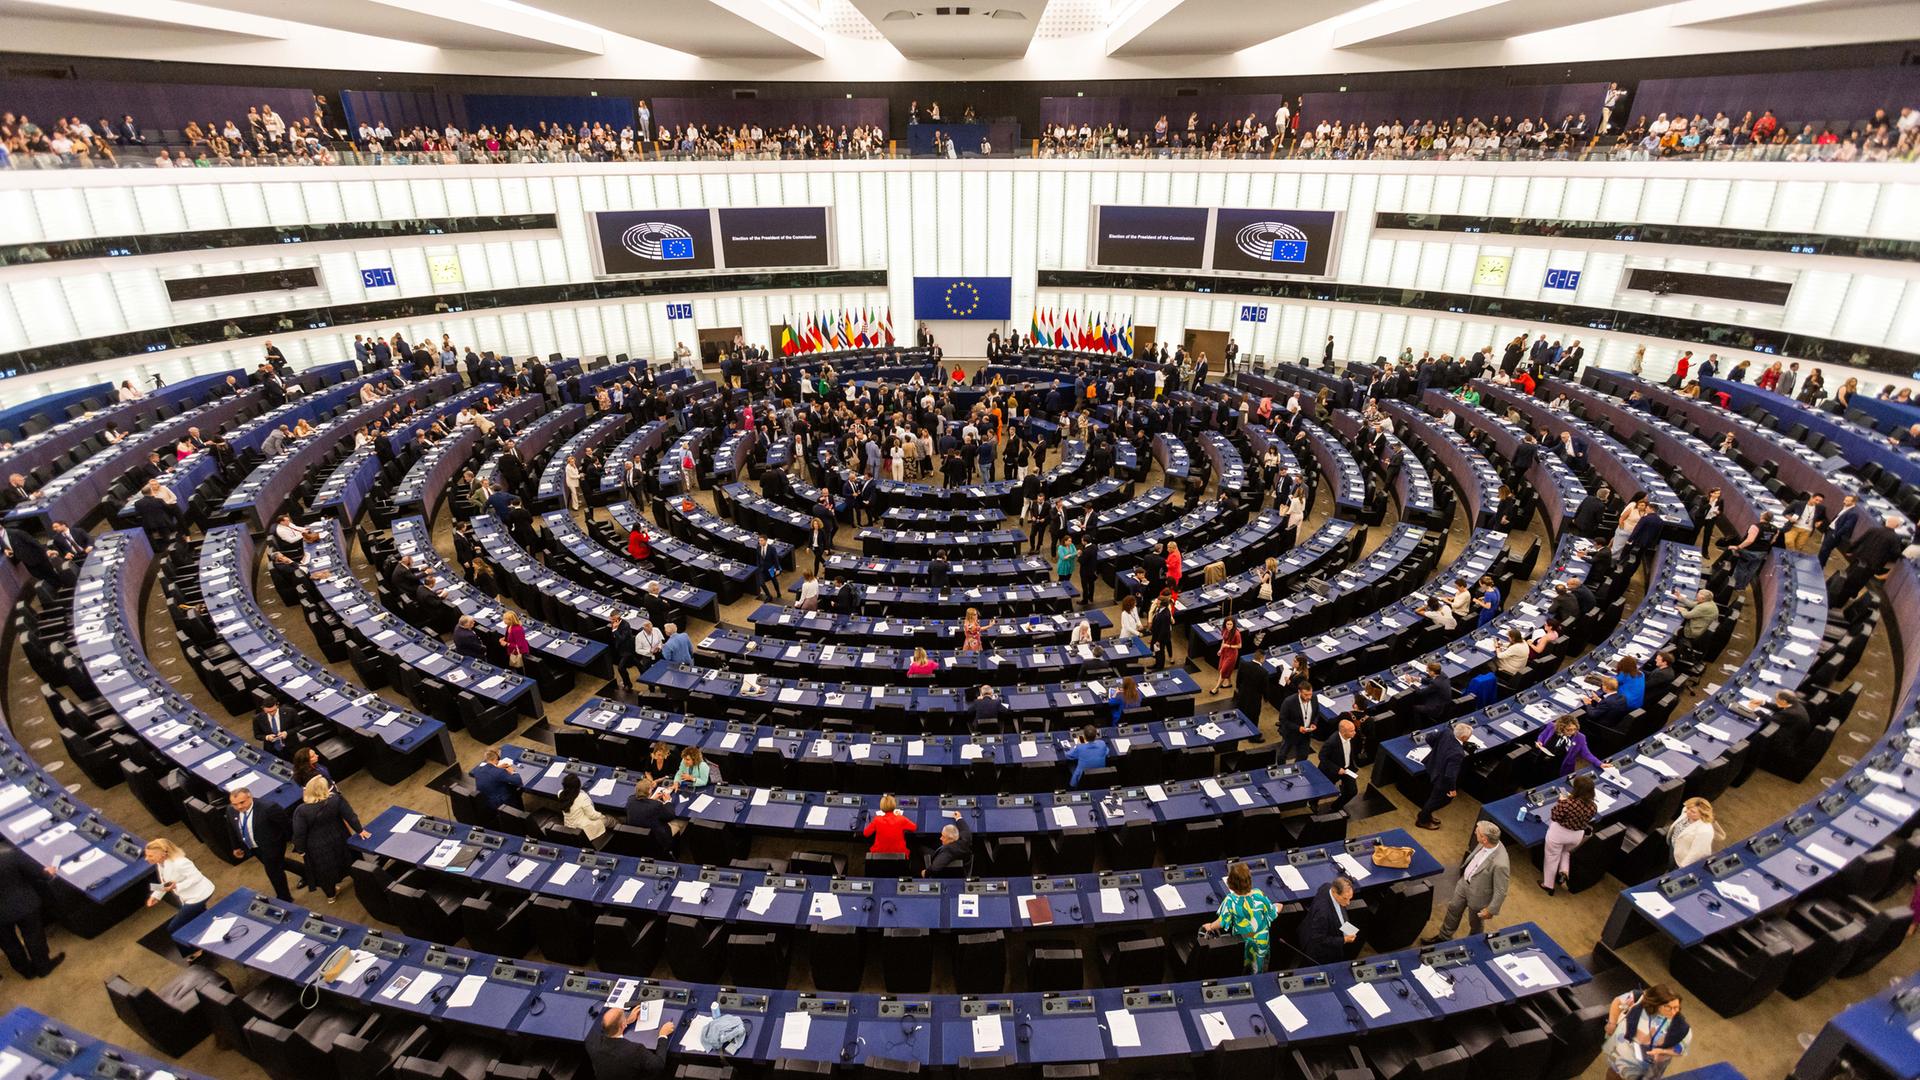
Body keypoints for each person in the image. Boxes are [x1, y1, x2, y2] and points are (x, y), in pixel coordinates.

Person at [1422, 821, 1510, 943]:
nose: (1475, 832)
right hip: (1464, 884)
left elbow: (1501, 890)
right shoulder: (1485, 843)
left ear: (1485, 839)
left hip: (1479, 896)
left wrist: (1491, 910)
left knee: (1475, 922)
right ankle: (1443, 938)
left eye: (1477, 832)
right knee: (1453, 909)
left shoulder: (1500, 864)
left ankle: (1474, 943)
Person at [291, 776, 365, 902]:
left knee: (324, 872)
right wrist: (360, 830)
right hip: (340, 838)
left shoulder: (301, 811)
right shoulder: (335, 800)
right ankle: (363, 882)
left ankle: (331, 895)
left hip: (316, 847)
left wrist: (301, 849)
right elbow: (350, 816)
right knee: (349, 861)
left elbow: (299, 833)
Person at [143, 838, 217, 960]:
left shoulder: (180, 862)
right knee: (201, 917)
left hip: (198, 895)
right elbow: (166, 883)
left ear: (163, 853)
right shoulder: (161, 863)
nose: (147, 859)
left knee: (174, 927)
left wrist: (177, 886)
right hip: (187, 896)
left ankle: (194, 950)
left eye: (150, 855)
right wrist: (155, 896)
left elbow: (196, 877)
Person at [1201, 862, 1277, 974]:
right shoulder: (1259, 894)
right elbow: (1272, 912)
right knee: (1260, 970)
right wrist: (1278, 906)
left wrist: (1210, 926)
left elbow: (1222, 922)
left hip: (1247, 947)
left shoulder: (1231, 900)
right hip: (1263, 944)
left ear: (1230, 882)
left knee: (1248, 971)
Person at [1603, 984, 1692, 1080]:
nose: (1674, 1012)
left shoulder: (1681, 1027)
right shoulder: (1639, 999)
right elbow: (1618, 1003)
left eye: (1676, 1007)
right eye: (1668, 1007)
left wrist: (1663, 1051)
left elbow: (1681, 1049)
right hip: (1619, 1065)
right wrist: (1612, 1023)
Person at [0, 844, 62, 979]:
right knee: (34, 936)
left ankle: (26, 971)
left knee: (9, 944)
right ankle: (43, 967)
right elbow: (42, 874)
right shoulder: (10, 854)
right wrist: (49, 871)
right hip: (24, 905)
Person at [228, 787, 295, 902]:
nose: (239, 807)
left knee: (273, 872)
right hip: (253, 847)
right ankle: (306, 873)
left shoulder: (268, 808)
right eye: (235, 804)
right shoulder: (230, 810)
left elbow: (287, 825)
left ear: (250, 797)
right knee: (280, 864)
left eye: (242, 802)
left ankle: (284, 898)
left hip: (272, 847)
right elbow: (232, 828)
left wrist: (287, 841)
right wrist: (236, 847)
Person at [586, 1003, 676, 1079]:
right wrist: (662, 1035)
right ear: (622, 1025)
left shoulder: (591, 1042)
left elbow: (607, 1029)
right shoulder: (635, 1051)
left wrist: (627, 1021)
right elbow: (658, 1065)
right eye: (624, 1016)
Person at [1541, 773, 1597, 894]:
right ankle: (1564, 873)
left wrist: (1560, 802)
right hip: (1576, 836)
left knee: (1552, 857)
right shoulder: (1593, 807)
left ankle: (1548, 885)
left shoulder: (1567, 804)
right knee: (1565, 852)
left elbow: (1555, 816)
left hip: (1559, 834)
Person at [1416, 722, 1472, 830]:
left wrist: (1437, 750)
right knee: (1440, 800)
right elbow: (1450, 775)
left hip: (1432, 766)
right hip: (1441, 778)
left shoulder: (1446, 732)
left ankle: (1426, 815)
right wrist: (1452, 789)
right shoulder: (1458, 753)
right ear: (1464, 737)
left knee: (1433, 797)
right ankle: (1422, 819)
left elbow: (1429, 738)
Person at [1297, 875, 1356, 964]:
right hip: (1319, 951)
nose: (1348, 903)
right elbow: (1319, 939)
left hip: (1326, 928)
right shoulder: (1323, 914)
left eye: (1350, 898)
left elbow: (1339, 914)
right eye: (1345, 898)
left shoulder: (1327, 886)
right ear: (1334, 892)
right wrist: (1344, 940)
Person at [622, 778, 678, 859]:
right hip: (657, 839)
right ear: (649, 792)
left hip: (637, 837)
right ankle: (675, 852)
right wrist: (668, 801)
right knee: (680, 823)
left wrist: (651, 800)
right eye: (651, 789)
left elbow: (641, 807)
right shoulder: (656, 805)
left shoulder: (630, 800)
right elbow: (670, 816)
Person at [1537, 716, 1606, 777]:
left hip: (1559, 766)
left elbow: (1586, 753)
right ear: (1561, 728)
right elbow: (1542, 735)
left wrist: (1599, 763)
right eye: (1568, 730)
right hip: (1542, 758)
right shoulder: (1551, 726)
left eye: (1574, 729)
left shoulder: (1580, 738)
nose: (1572, 732)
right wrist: (1539, 741)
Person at [1664, 797, 1722, 868]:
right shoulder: (1686, 810)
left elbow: (1696, 853)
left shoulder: (1705, 831)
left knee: (1672, 869)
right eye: (1688, 808)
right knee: (1669, 864)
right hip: (1674, 846)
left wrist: (1682, 867)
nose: (1687, 812)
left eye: (1693, 812)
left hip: (1682, 857)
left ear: (1703, 814)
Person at [1318, 717, 1361, 809]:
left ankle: (1336, 807)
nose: (1355, 732)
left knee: (1352, 791)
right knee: (1322, 790)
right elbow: (1322, 757)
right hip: (1331, 771)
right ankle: (1313, 803)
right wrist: (1337, 769)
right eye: (1351, 731)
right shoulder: (1331, 742)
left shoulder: (1353, 737)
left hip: (1347, 769)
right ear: (1343, 732)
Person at [470, 747, 524, 812]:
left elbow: (489, 772)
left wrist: (497, 767)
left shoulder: (477, 770)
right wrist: (512, 771)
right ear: (496, 758)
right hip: (501, 804)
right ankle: (519, 813)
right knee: (517, 788)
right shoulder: (499, 772)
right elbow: (518, 781)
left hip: (486, 801)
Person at [559, 773, 609, 843]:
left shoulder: (560, 794)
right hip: (584, 829)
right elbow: (593, 816)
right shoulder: (582, 797)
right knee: (610, 820)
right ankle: (621, 827)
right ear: (578, 786)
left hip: (569, 826)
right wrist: (602, 816)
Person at [1277, 682, 1319, 763]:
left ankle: (1297, 769)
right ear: (1299, 692)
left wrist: (1314, 723)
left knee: (1303, 756)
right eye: (1306, 695)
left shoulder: (1314, 698)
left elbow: (1316, 713)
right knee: (1282, 756)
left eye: (1310, 694)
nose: (1309, 697)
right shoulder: (1288, 702)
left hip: (1306, 734)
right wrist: (1298, 728)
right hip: (1290, 733)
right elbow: (1283, 719)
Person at [925, 812, 974, 877]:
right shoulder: (965, 840)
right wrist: (958, 818)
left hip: (948, 873)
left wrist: (925, 873)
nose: (940, 838)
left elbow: (935, 867)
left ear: (951, 839)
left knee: (920, 848)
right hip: (962, 863)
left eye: (943, 836)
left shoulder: (948, 851)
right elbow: (965, 830)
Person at [1209, 616, 1242, 694]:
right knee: (1223, 669)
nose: (1229, 626)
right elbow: (1224, 640)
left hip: (1232, 654)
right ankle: (1229, 683)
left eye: (1231, 624)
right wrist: (1221, 649)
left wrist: (1229, 646)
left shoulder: (1236, 634)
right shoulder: (1224, 630)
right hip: (1224, 652)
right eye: (1228, 624)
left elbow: (1239, 645)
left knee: (1223, 671)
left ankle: (1216, 689)